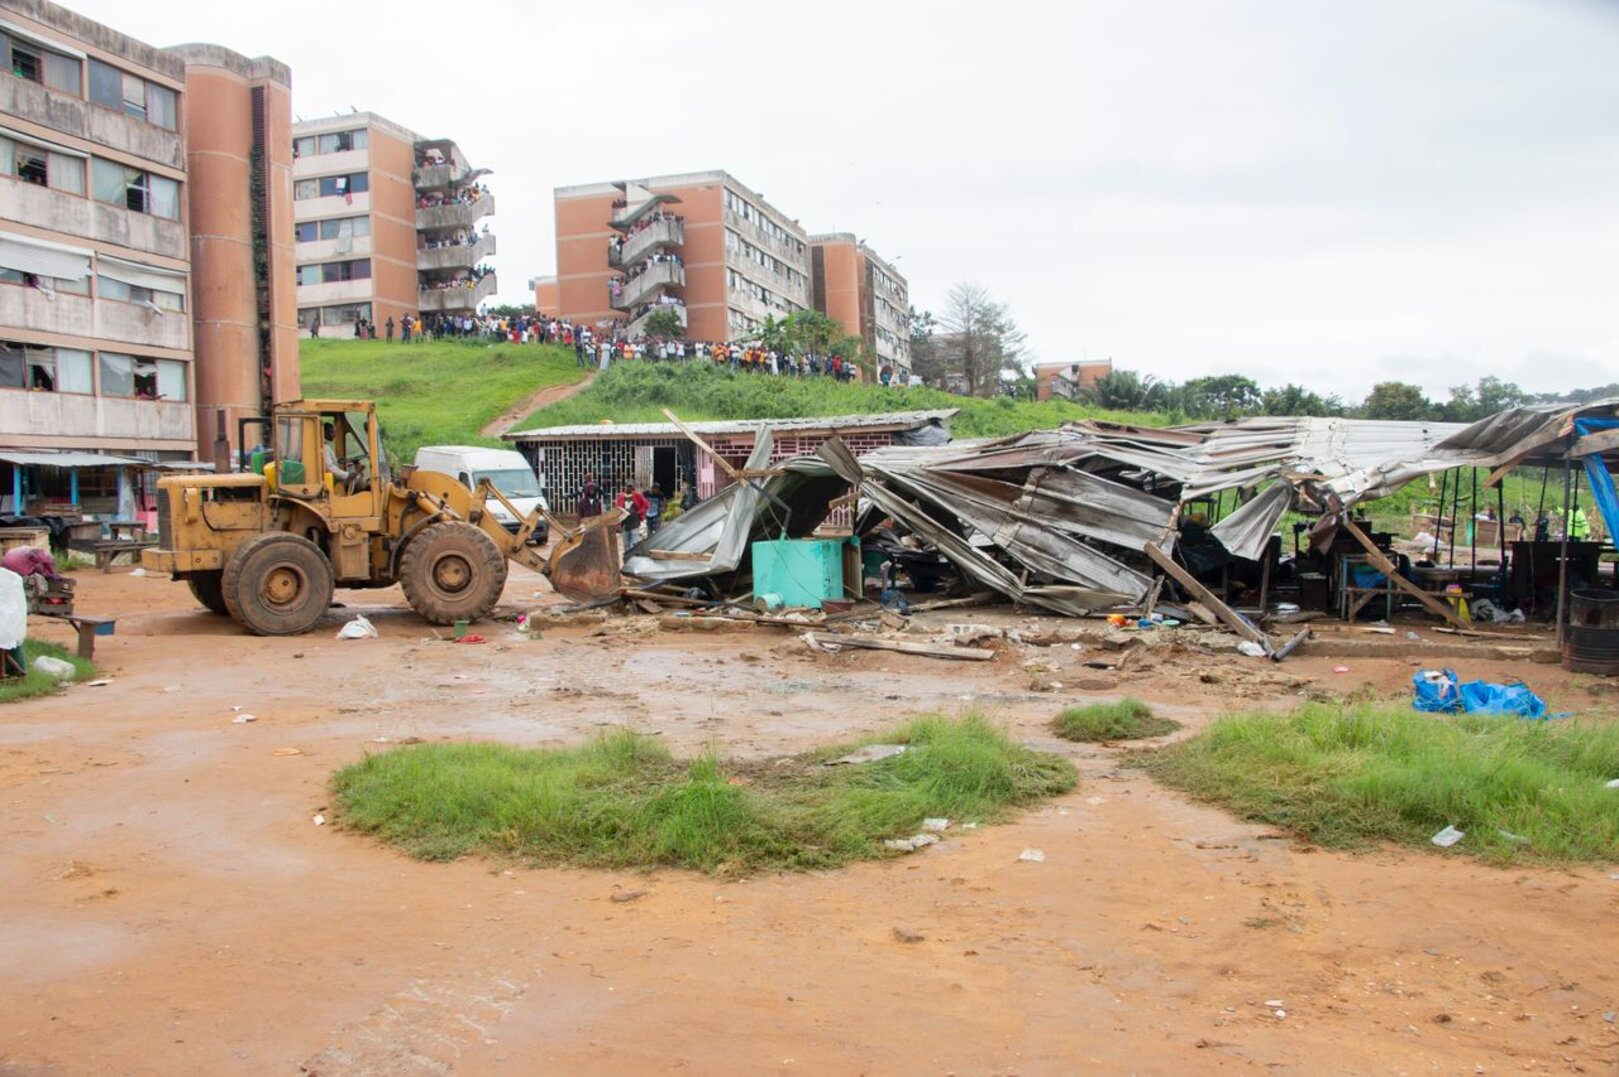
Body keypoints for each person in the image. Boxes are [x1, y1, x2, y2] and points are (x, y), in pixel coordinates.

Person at [323, 422, 358, 492]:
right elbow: (329, 467)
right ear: (324, 433)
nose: (334, 435)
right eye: (332, 432)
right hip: (330, 480)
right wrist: (347, 475)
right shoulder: (324, 448)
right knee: (358, 480)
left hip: (333, 478)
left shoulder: (326, 446)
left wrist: (339, 460)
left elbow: (330, 461)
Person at [615, 483, 648, 554]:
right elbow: (618, 509)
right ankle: (627, 558)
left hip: (635, 522)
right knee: (625, 543)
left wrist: (639, 512)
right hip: (624, 523)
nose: (629, 489)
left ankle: (634, 558)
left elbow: (646, 505)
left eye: (631, 487)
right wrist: (618, 523)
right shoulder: (621, 496)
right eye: (628, 487)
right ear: (625, 487)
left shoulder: (637, 495)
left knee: (635, 542)